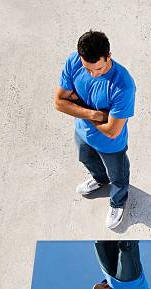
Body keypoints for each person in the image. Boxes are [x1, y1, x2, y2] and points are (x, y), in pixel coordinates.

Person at [53, 30, 136, 229]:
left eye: (98, 69)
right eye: (87, 68)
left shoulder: (123, 86)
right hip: (82, 132)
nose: (93, 74)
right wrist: (95, 114)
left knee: (118, 177)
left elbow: (112, 131)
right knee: (86, 159)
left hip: (111, 145)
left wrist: (77, 105)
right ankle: (99, 179)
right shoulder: (74, 62)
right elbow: (58, 102)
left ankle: (117, 201)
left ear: (109, 56)